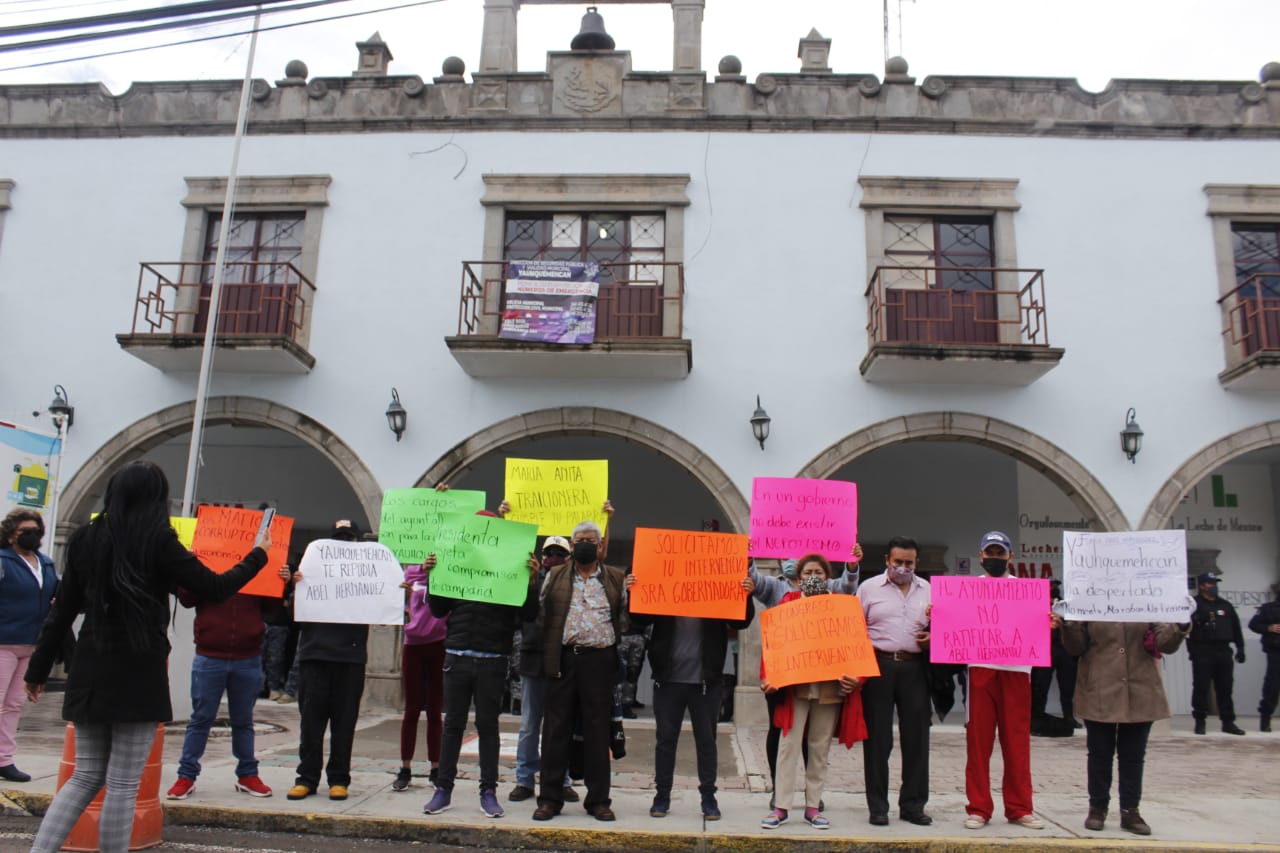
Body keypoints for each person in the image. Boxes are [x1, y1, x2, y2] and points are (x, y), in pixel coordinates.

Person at [23, 461, 269, 853]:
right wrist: (258, 556)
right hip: (139, 667)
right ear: (156, 498)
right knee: (122, 782)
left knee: (84, 775)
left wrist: (38, 669)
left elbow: (62, 610)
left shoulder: (86, 538)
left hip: (91, 664)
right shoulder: (158, 539)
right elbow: (214, 587)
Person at [421, 516, 540, 820]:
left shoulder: (509, 567)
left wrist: (529, 582)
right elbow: (437, 609)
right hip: (457, 655)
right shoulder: (454, 562)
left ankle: (488, 791)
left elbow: (527, 613)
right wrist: (434, 575)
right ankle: (443, 789)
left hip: (492, 658)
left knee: (488, 728)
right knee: (453, 726)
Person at [626, 570, 755, 820]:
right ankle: (662, 797)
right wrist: (634, 592)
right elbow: (639, 619)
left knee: (707, 742)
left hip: (706, 683)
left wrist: (746, 596)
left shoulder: (715, 596)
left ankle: (709, 798)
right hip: (668, 681)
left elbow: (741, 622)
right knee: (665, 742)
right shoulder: (665, 594)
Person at [747, 545, 861, 806]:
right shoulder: (779, 590)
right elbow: (754, 580)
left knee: (817, 741)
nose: (812, 576)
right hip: (786, 680)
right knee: (782, 736)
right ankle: (781, 794)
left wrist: (852, 565)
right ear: (797, 576)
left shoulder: (836, 598)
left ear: (827, 576)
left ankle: (813, 800)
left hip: (824, 681)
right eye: (806, 571)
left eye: (818, 572)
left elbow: (849, 585)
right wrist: (747, 556)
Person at [532, 520, 626, 822]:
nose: (585, 543)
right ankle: (549, 798)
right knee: (556, 730)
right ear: (572, 546)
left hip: (600, 662)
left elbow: (625, 617)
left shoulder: (615, 577)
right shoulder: (555, 575)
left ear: (600, 545)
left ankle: (598, 800)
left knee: (598, 732)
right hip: (564, 660)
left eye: (591, 539)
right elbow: (540, 613)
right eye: (579, 539)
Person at [1059, 618, 1190, 835]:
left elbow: (1165, 644)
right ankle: (1097, 808)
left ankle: (1130, 810)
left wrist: (1181, 625)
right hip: (1099, 688)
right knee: (1099, 753)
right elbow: (1076, 648)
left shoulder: (1145, 602)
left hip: (1140, 688)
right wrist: (1069, 624)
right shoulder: (1090, 603)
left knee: (1133, 756)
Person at [165, 574, 281, 799]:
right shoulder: (207, 564)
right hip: (210, 655)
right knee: (201, 718)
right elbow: (187, 599)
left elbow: (271, 606)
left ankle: (247, 774)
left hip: (246, 656)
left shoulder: (258, 565)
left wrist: (279, 581)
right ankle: (186, 776)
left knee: (243, 719)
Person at [963, 530, 1044, 831]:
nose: (995, 558)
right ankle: (979, 808)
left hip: (1017, 671)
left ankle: (1020, 807)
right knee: (978, 742)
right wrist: (940, 616)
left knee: (1017, 742)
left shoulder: (1025, 591)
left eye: (1000, 553)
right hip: (980, 668)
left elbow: (1037, 627)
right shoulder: (969, 590)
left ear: (1011, 556)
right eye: (990, 553)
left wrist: (1047, 621)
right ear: (981, 555)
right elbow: (955, 625)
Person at [286, 519, 370, 801]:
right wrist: (294, 587)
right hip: (315, 655)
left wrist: (396, 594)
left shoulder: (368, 577)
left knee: (344, 724)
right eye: (339, 538)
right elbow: (290, 618)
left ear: (358, 544)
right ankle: (306, 778)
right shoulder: (308, 572)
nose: (343, 544)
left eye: (348, 539)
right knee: (310, 723)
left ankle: (339, 779)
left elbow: (383, 615)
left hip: (350, 658)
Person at [858, 536, 932, 827]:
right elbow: (854, 628)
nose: (903, 568)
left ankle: (913, 805)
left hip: (915, 668)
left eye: (908, 563)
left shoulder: (929, 590)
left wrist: (933, 638)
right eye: (898, 562)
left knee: (917, 739)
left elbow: (945, 626)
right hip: (878, 666)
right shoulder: (868, 589)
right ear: (887, 560)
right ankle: (878, 806)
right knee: (877, 739)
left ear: (917, 563)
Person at [509, 535, 578, 804]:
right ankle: (524, 780)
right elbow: (523, 615)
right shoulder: (529, 579)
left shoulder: (573, 582)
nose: (553, 557)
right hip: (533, 659)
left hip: (562, 661)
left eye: (559, 553)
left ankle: (562, 780)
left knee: (561, 725)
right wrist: (530, 583)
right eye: (549, 552)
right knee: (529, 724)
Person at [0, 509, 57, 783]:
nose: (31, 534)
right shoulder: (2, 561)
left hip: (30, 642)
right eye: (25, 530)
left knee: (13, 704)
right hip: (3, 642)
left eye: (35, 529)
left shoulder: (45, 564)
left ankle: (4, 759)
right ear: (11, 534)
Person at [392, 559, 447, 792]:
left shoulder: (448, 575)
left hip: (439, 644)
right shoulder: (411, 573)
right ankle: (405, 768)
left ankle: (436, 768)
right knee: (411, 709)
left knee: (435, 711)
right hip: (413, 645)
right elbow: (395, 599)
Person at [1188, 571, 1246, 735]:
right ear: (1202, 586)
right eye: (1210, 584)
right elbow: (1184, 626)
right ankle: (1200, 721)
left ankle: (1228, 722)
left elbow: (1235, 628)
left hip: (1223, 650)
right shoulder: (1194, 604)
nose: (1214, 586)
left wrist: (1240, 648)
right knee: (1201, 686)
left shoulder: (1225, 605)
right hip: (1202, 650)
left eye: (1215, 583)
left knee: (1225, 687)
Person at [1031, 578, 1078, 736]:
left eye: (1056, 586)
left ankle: (1069, 717)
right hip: (1045, 649)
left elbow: (1073, 626)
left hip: (1064, 651)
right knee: (1040, 686)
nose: (1054, 588)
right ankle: (1037, 717)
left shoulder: (1064, 606)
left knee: (1068, 686)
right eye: (1052, 586)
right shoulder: (1037, 606)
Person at [1249, 583, 1280, 732]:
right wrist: (1268, 628)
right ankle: (1265, 718)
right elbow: (1253, 624)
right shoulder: (1268, 608)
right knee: (1272, 687)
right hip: (1275, 652)